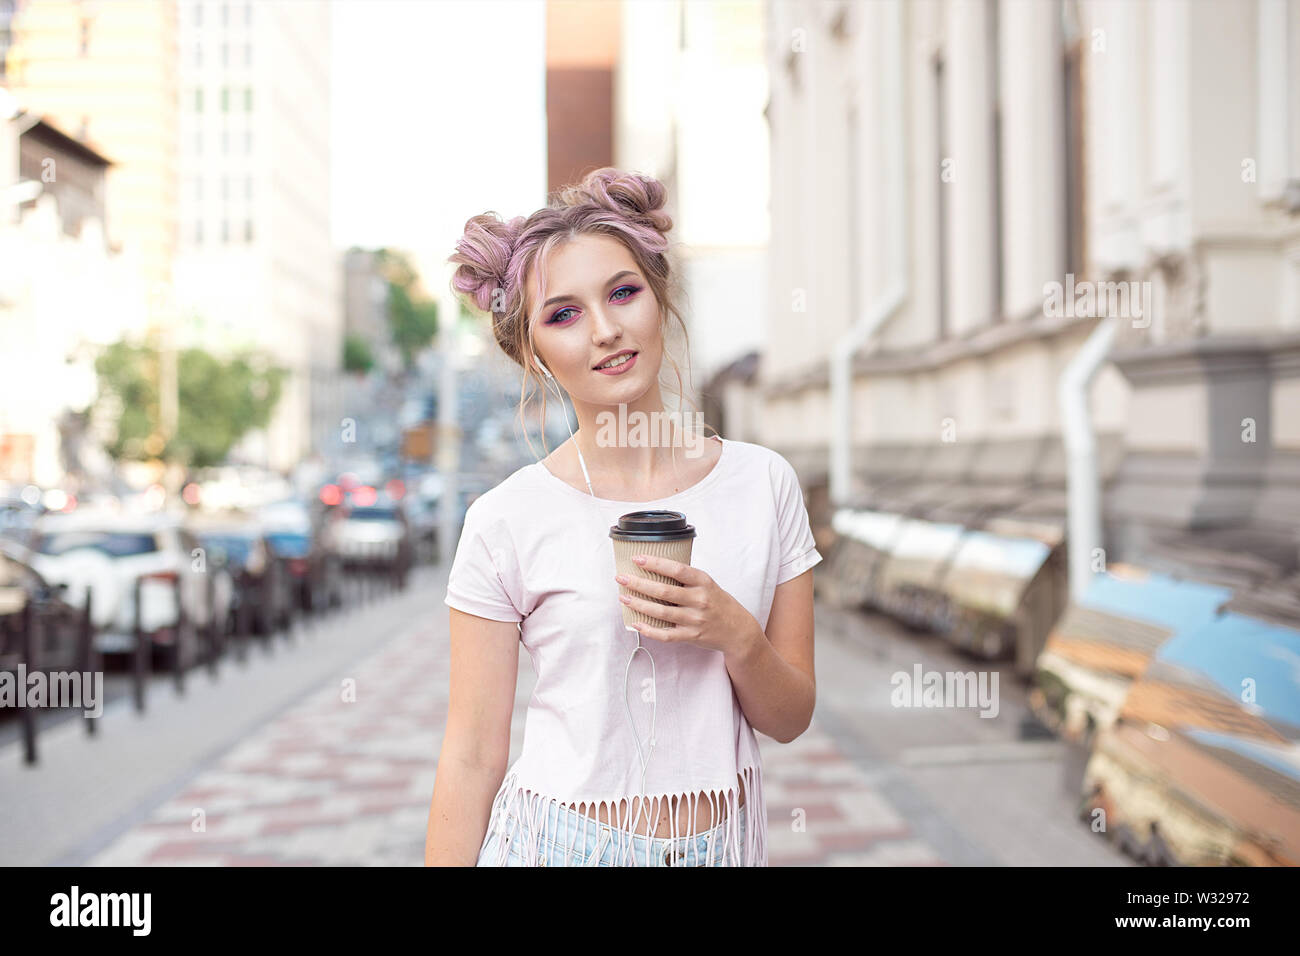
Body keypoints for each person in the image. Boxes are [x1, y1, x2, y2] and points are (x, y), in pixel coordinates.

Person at [424, 168, 821, 867]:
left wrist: (737, 637)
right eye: (564, 314)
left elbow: (789, 718)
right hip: (555, 846)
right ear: (532, 351)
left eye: (623, 292)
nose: (605, 330)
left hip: (722, 848)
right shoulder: (506, 519)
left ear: (660, 298)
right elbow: (471, 756)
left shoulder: (763, 484)